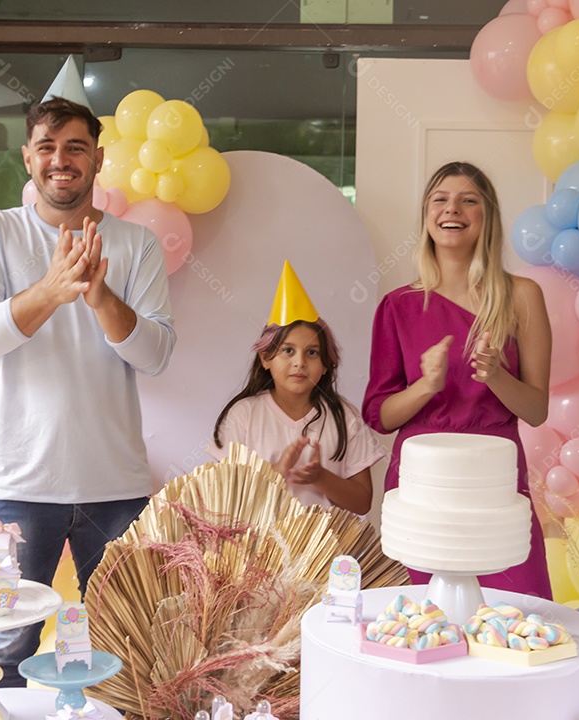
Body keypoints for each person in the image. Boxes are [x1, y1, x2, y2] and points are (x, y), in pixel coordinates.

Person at [0, 96, 175, 685]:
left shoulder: (136, 244)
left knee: (128, 643)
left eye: (75, 146)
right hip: (18, 487)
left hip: (116, 489)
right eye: (46, 147)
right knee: (8, 647)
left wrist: (100, 297)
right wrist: (52, 289)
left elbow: (155, 355)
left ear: (98, 158)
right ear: (28, 158)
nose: (60, 159)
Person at [362, 162, 552, 598]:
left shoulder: (522, 296)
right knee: (425, 620)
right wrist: (425, 386)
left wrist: (496, 376)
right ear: (427, 215)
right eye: (441, 199)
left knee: (513, 614)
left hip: (495, 479)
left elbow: (536, 410)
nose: (453, 209)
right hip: (422, 485)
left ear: (487, 217)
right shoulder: (399, 306)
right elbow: (379, 416)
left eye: (469, 200)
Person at [209, 262, 383, 514]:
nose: (300, 362)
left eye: (312, 352)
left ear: (326, 364)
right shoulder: (243, 415)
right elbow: (223, 502)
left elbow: (362, 503)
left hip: (326, 548)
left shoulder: (345, 417)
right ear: (266, 359)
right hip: (259, 548)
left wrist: (320, 477)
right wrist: (276, 474)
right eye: (288, 351)